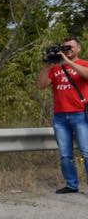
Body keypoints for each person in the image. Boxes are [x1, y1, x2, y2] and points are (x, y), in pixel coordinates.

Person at [36, 37, 88, 194]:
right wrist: (47, 66)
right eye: (64, 48)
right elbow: (41, 85)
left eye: (70, 47)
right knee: (65, 154)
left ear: (78, 48)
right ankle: (72, 185)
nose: (67, 50)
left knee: (86, 152)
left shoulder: (84, 64)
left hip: (80, 115)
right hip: (60, 117)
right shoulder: (55, 68)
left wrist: (68, 62)